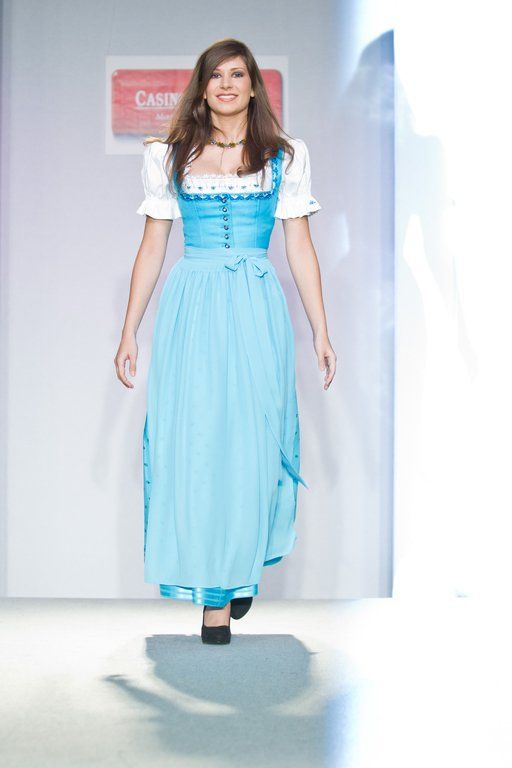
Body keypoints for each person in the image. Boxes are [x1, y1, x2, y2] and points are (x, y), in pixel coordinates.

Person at [114, 38, 337, 645]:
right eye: (216, 75)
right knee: (199, 441)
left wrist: (321, 329)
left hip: (256, 303)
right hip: (192, 304)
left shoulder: (284, 156)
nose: (227, 85)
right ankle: (215, 597)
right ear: (203, 86)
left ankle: (242, 564)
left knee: (254, 442)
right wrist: (129, 329)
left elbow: (299, 246)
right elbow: (153, 246)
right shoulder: (169, 155)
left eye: (237, 74)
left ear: (253, 84)